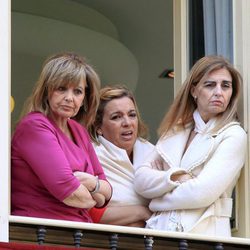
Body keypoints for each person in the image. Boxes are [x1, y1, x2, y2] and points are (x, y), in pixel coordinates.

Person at [134, 55, 247, 236]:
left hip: (203, 235)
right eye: (210, 85)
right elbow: (140, 180)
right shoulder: (175, 130)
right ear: (194, 91)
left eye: (225, 85)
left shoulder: (233, 135)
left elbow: (201, 193)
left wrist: (155, 200)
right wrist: (175, 177)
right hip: (159, 233)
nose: (219, 92)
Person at [11, 52, 112, 222]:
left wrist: (92, 184)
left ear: (84, 99)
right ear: (46, 91)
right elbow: (71, 194)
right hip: (41, 232)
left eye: (77, 91)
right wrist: (96, 193)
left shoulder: (78, 130)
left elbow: (107, 190)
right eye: (61, 88)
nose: (69, 98)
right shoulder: (34, 126)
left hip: (79, 232)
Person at [88, 85, 153, 227]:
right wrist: (141, 212)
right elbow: (87, 214)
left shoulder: (154, 153)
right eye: (116, 117)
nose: (127, 123)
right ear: (98, 126)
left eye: (132, 115)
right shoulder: (90, 157)